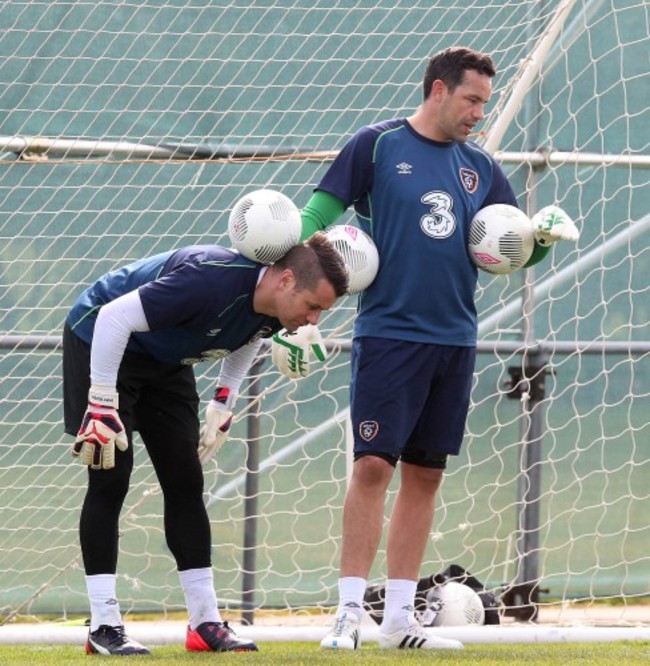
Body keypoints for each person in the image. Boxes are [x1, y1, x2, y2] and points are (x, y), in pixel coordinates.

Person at [296, 47, 579, 650]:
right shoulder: (375, 146)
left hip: (455, 339)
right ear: (437, 90)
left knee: (425, 475)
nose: (480, 111)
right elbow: (316, 216)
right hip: (388, 335)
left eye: (485, 101)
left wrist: (543, 240)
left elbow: (509, 249)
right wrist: (282, 279)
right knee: (373, 465)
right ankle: (349, 612)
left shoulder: (481, 168)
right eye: (472, 99)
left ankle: (400, 620)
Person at [63, 231, 349, 655]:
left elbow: (248, 338)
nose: (313, 322)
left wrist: (224, 400)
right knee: (109, 479)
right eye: (313, 307)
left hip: (165, 361)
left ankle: (204, 623)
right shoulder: (209, 279)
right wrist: (102, 401)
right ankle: (103, 627)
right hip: (103, 343)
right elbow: (113, 318)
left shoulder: (275, 310)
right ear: (285, 280)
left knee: (185, 482)